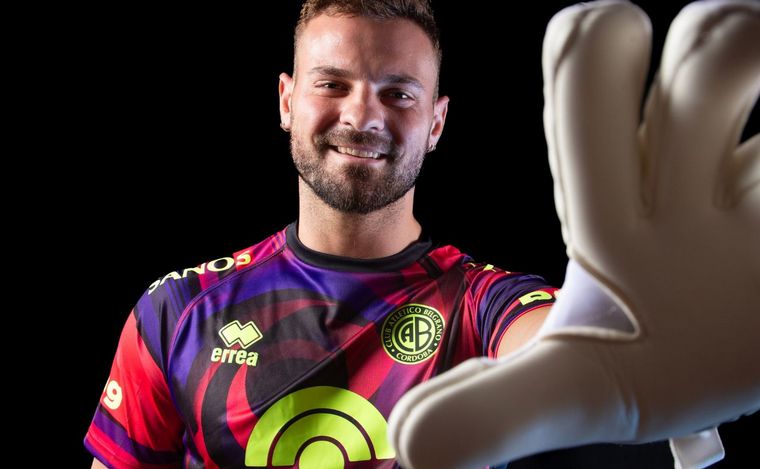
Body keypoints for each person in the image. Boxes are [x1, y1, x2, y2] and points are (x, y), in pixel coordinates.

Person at [84, 1, 558, 467]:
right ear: (287, 101)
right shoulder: (178, 310)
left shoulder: (483, 306)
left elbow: (571, 351)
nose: (362, 117)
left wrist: (596, 336)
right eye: (332, 84)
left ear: (436, 124)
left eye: (398, 94)